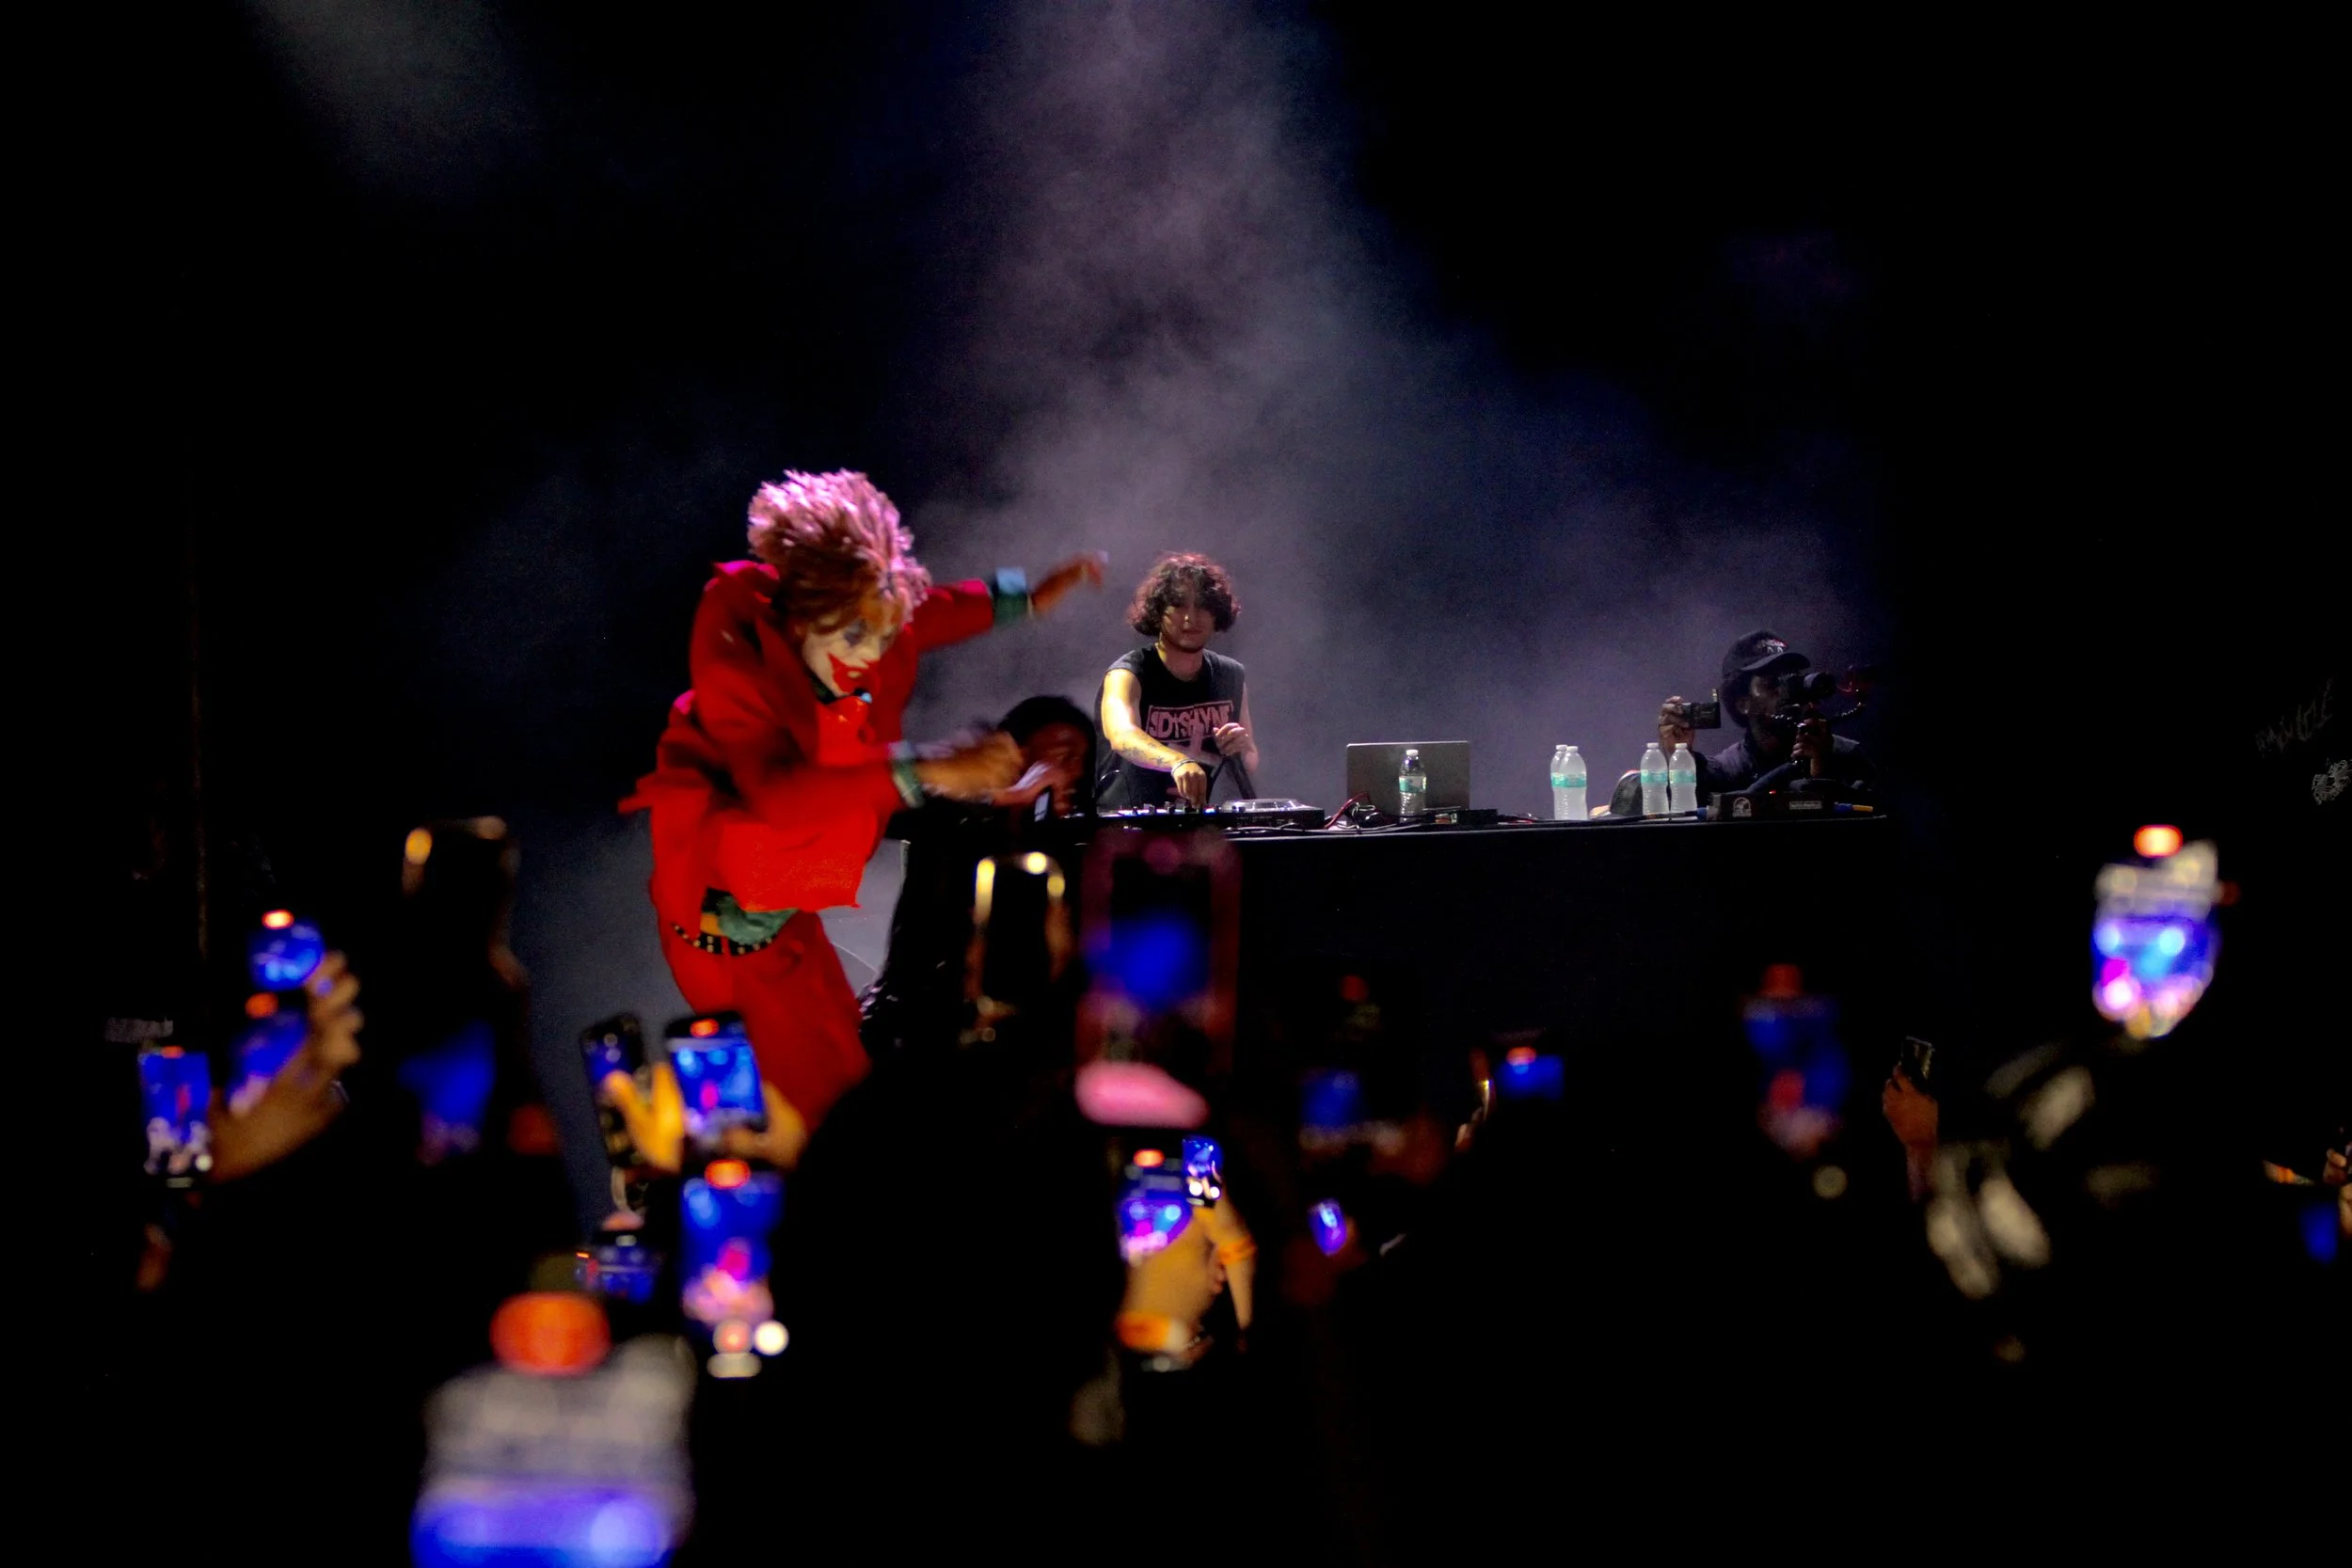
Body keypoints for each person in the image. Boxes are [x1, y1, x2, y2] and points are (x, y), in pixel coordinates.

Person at [627, 469, 1104, 1128]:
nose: (870, 656)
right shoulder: (739, 654)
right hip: (724, 929)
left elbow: (928, 612)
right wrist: (930, 767)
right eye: (855, 636)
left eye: (881, 634)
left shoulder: (862, 623)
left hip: (786, 925)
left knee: (856, 1097)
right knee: (822, 1126)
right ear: (799, 618)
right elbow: (778, 795)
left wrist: (1025, 597)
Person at [859, 693, 1097, 1056]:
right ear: (1013, 756)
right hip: (920, 1024)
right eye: (1062, 758)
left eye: (1082, 760)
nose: (1073, 773)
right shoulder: (953, 816)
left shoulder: (1081, 844)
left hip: (1032, 1038)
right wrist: (1006, 796)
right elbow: (879, 810)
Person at [1616, 628, 1878, 814]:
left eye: (1792, 681)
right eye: (1772, 683)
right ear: (1742, 702)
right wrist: (1679, 756)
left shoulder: (1847, 755)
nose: (1786, 692)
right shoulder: (1729, 771)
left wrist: (1823, 772)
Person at [1096, 553, 1260, 809]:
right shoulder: (1128, 673)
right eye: (1179, 605)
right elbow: (1122, 735)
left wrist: (1243, 748)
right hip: (1124, 824)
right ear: (1158, 611)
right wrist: (1177, 761)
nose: (1190, 618)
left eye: (1203, 606)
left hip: (1196, 823)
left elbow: (1249, 761)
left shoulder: (1230, 675)